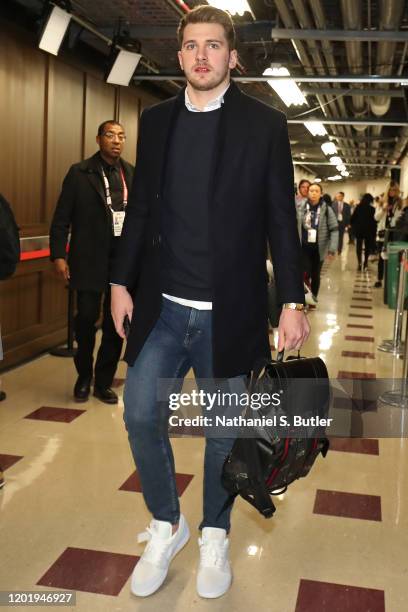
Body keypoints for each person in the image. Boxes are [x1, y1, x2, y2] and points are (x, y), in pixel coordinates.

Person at [110, 5, 310, 600]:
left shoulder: (264, 125)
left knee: (225, 430)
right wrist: (121, 282)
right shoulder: (157, 119)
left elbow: (280, 218)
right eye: (192, 46)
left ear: (231, 55)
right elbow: (142, 206)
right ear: (179, 57)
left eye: (213, 46)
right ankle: (167, 524)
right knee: (141, 412)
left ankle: (216, 532)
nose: (202, 56)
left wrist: (293, 300)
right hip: (165, 310)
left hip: (232, 310)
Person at [50, 121, 134, 403]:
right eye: (110, 135)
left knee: (116, 323)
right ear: (98, 139)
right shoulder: (80, 173)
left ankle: (104, 382)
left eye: (121, 136)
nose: (117, 141)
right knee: (85, 320)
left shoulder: (131, 174)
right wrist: (59, 255)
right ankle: (84, 375)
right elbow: (61, 218)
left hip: (121, 262)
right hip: (87, 260)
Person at [298, 182, 339, 303]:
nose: (314, 193)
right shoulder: (301, 207)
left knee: (315, 275)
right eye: (311, 191)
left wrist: (332, 249)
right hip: (304, 247)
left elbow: (334, 230)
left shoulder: (327, 209)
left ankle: (313, 298)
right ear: (308, 193)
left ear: (321, 194)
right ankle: (304, 297)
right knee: (305, 273)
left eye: (316, 191)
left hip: (319, 248)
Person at [373, 181, 403, 288]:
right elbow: (376, 218)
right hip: (383, 234)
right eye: (390, 190)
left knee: (393, 258)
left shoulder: (400, 203)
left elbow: (401, 219)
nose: (392, 192)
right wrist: (383, 210)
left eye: (394, 190)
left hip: (394, 233)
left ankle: (391, 280)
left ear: (397, 191)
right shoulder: (382, 202)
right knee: (381, 258)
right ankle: (379, 279)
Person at [350, 193, 376, 271]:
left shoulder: (358, 207)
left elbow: (352, 218)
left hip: (359, 230)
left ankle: (359, 263)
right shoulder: (372, 209)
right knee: (367, 247)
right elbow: (374, 221)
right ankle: (365, 263)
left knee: (359, 247)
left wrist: (353, 225)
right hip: (368, 230)